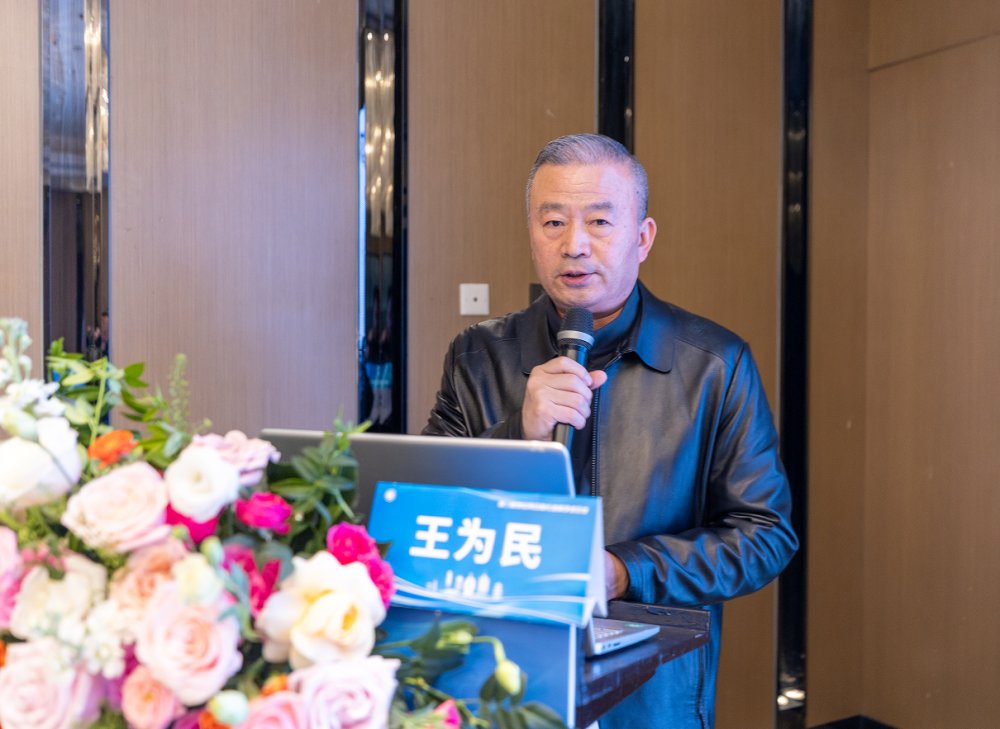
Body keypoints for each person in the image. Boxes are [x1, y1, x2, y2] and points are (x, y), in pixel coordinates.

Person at [423, 133, 798, 728]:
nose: (574, 244)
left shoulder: (714, 364)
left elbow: (764, 535)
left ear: (642, 238)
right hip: (496, 679)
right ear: (531, 233)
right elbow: (421, 510)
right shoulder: (477, 356)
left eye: (599, 221)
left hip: (650, 694)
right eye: (553, 222)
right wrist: (518, 432)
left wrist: (624, 570)